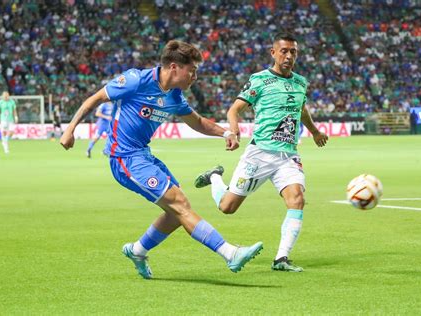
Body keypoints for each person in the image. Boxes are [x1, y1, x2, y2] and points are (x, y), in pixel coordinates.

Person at [60, 40, 263, 279]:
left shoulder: (175, 96)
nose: (195, 76)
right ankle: (230, 253)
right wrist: (70, 129)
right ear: (175, 67)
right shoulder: (136, 80)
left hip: (143, 155)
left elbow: (198, 122)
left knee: (176, 213)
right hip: (124, 157)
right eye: (192, 70)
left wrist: (226, 133)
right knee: (179, 204)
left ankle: (137, 250)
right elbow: (94, 99)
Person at [195, 33, 328, 272]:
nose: (288, 56)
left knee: (297, 199)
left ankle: (281, 259)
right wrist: (233, 133)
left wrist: (315, 132)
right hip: (260, 154)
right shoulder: (259, 80)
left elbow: (302, 109)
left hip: (288, 156)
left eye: (293, 52)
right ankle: (215, 176)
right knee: (227, 207)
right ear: (273, 53)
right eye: (284, 51)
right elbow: (234, 110)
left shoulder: (300, 82)